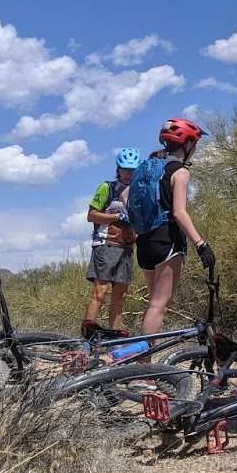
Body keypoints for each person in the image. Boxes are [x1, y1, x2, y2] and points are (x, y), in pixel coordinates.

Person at [134, 118, 212, 336]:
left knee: (153, 304)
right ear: (187, 144)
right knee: (159, 306)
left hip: (144, 240)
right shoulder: (180, 172)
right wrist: (201, 244)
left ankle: (146, 359)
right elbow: (179, 212)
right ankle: (145, 366)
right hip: (166, 239)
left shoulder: (149, 168)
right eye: (194, 144)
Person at [81, 147, 140, 336]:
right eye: (125, 169)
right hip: (106, 246)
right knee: (100, 293)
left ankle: (114, 338)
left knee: (120, 297)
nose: (128, 173)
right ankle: (87, 338)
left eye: (132, 170)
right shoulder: (107, 187)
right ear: (118, 168)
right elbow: (91, 215)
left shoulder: (138, 193)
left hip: (126, 249)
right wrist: (115, 217)